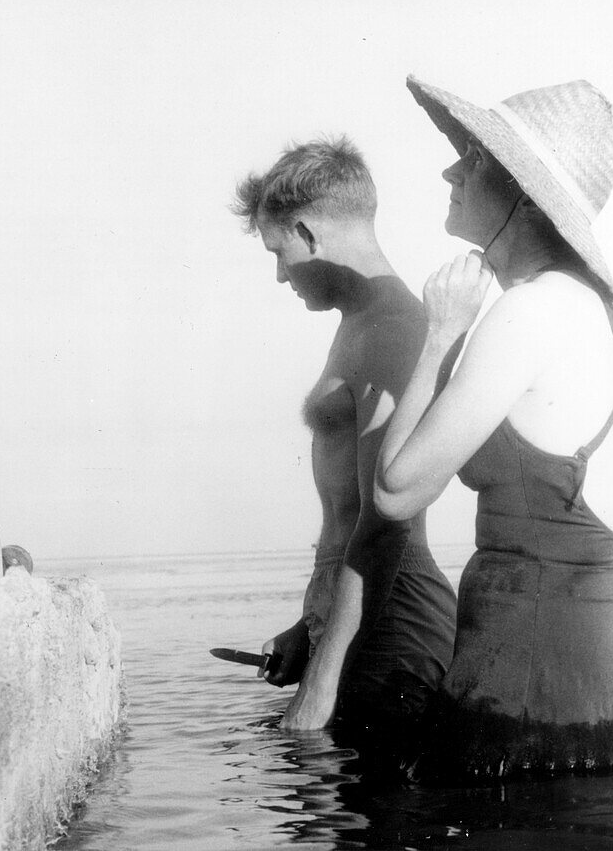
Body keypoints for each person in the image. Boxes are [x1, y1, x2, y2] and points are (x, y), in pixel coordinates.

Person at [374, 76, 613, 783]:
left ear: (523, 196)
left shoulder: (528, 315)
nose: (451, 169)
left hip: (519, 715)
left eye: (471, 157)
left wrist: (440, 335)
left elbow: (395, 492)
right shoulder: (594, 325)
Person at [232, 138, 457, 759]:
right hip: (362, 620)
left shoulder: (391, 329)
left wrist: (319, 686)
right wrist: (310, 629)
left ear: (308, 232)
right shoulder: (358, 323)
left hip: (395, 622)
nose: (280, 274)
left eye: (278, 252)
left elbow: (384, 522)